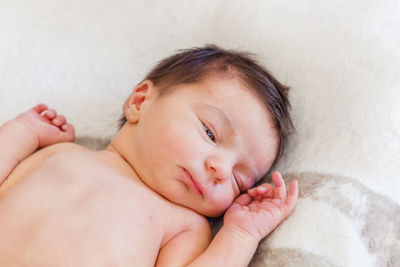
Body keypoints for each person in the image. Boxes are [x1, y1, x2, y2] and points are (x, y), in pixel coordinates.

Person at [0, 45, 298, 266]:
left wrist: (241, 235)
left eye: (238, 179)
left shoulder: (183, 225)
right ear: (141, 101)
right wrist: (24, 131)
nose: (220, 169)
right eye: (210, 133)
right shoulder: (62, 153)